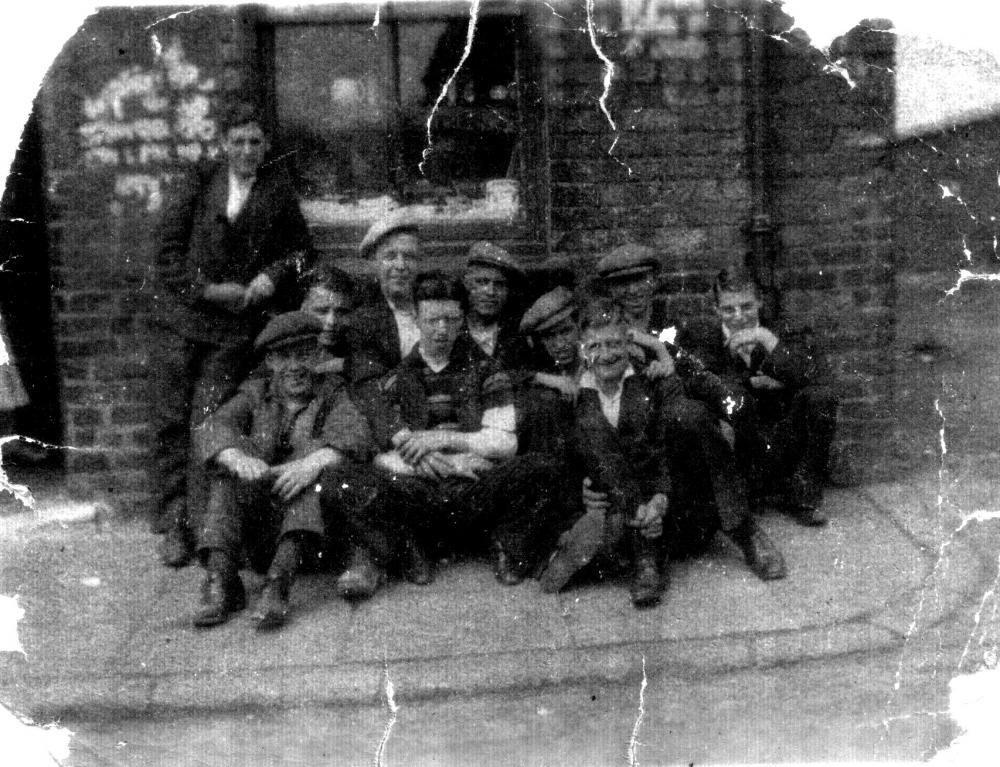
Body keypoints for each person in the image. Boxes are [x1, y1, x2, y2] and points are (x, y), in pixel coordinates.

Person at [323, 271, 565, 597]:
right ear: (417, 321)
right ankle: (410, 545)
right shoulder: (395, 379)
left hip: (477, 487)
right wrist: (427, 464)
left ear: (462, 319)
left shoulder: (487, 372)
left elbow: (505, 442)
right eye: (433, 320)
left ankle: (504, 543)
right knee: (341, 478)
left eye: (451, 320)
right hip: (418, 492)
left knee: (544, 467)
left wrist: (444, 440)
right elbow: (378, 452)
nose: (441, 330)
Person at [149, 101, 314, 568]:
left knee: (208, 420)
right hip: (182, 322)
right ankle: (172, 524)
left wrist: (272, 277)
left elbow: (303, 252)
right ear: (224, 144)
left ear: (265, 147)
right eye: (238, 141)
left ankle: (202, 529)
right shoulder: (199, 184)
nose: (246, 150)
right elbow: (166, 256)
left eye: (255, 142)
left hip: (232, 333)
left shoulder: (277, 192)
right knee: (169, 422)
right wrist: (206, 289)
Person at [539, 300, 787, 607]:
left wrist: (661, 499)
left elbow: (678, 439)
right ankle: (646, 559)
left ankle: (744, 530)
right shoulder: (574, 394)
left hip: (673, 503)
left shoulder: (652, 376)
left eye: (615, 343)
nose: (606, 355)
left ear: (629, 342)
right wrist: (581, 492)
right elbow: (564, 459)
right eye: (595, 346)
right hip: (619, 509)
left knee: (688, 415)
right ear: (583, 349)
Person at [191, 312, 373, 630]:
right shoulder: (256, 393)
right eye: (284, 357)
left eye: (303, 355)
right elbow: (213, 426)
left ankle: (278, 585)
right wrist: (236, 458)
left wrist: (311, 463)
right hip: (260, 532)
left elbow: (355, 434)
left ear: (317, 356)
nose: (295, 367)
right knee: (226, 471)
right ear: (271, 362)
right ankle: (221, 579)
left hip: (312, 540)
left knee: (310, 467)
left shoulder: (333, 393)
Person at [678, 265, 839, 526]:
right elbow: (701, 384)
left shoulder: (784, 331)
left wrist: (765, 339)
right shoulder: (702, 340)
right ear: (716, 309)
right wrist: (755, 382)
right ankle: (745, 499)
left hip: (783, 438)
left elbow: (814, 375)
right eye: (729, 309)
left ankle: (803, 495)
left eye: (747, 306)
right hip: (743, 448)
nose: (739, 316)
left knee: (822, 397)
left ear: (760, 302)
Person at [350, 210, 423, 370]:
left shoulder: (431, 302)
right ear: (374, 263)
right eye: (390, 257)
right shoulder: (364, 318)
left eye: (409, 256)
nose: (400, 266)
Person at [298, 265, 386, 387]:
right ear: (303, 310)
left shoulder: (361, 344)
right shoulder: (283, 350)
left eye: (342, 312)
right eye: (322, 311)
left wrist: (347, 365)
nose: (332, 321)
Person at [460, 241, 533, 375]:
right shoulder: (454, 332)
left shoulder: (518, 336)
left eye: (499, 284)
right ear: (467, 283)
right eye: (482, 282)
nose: (491, 291)